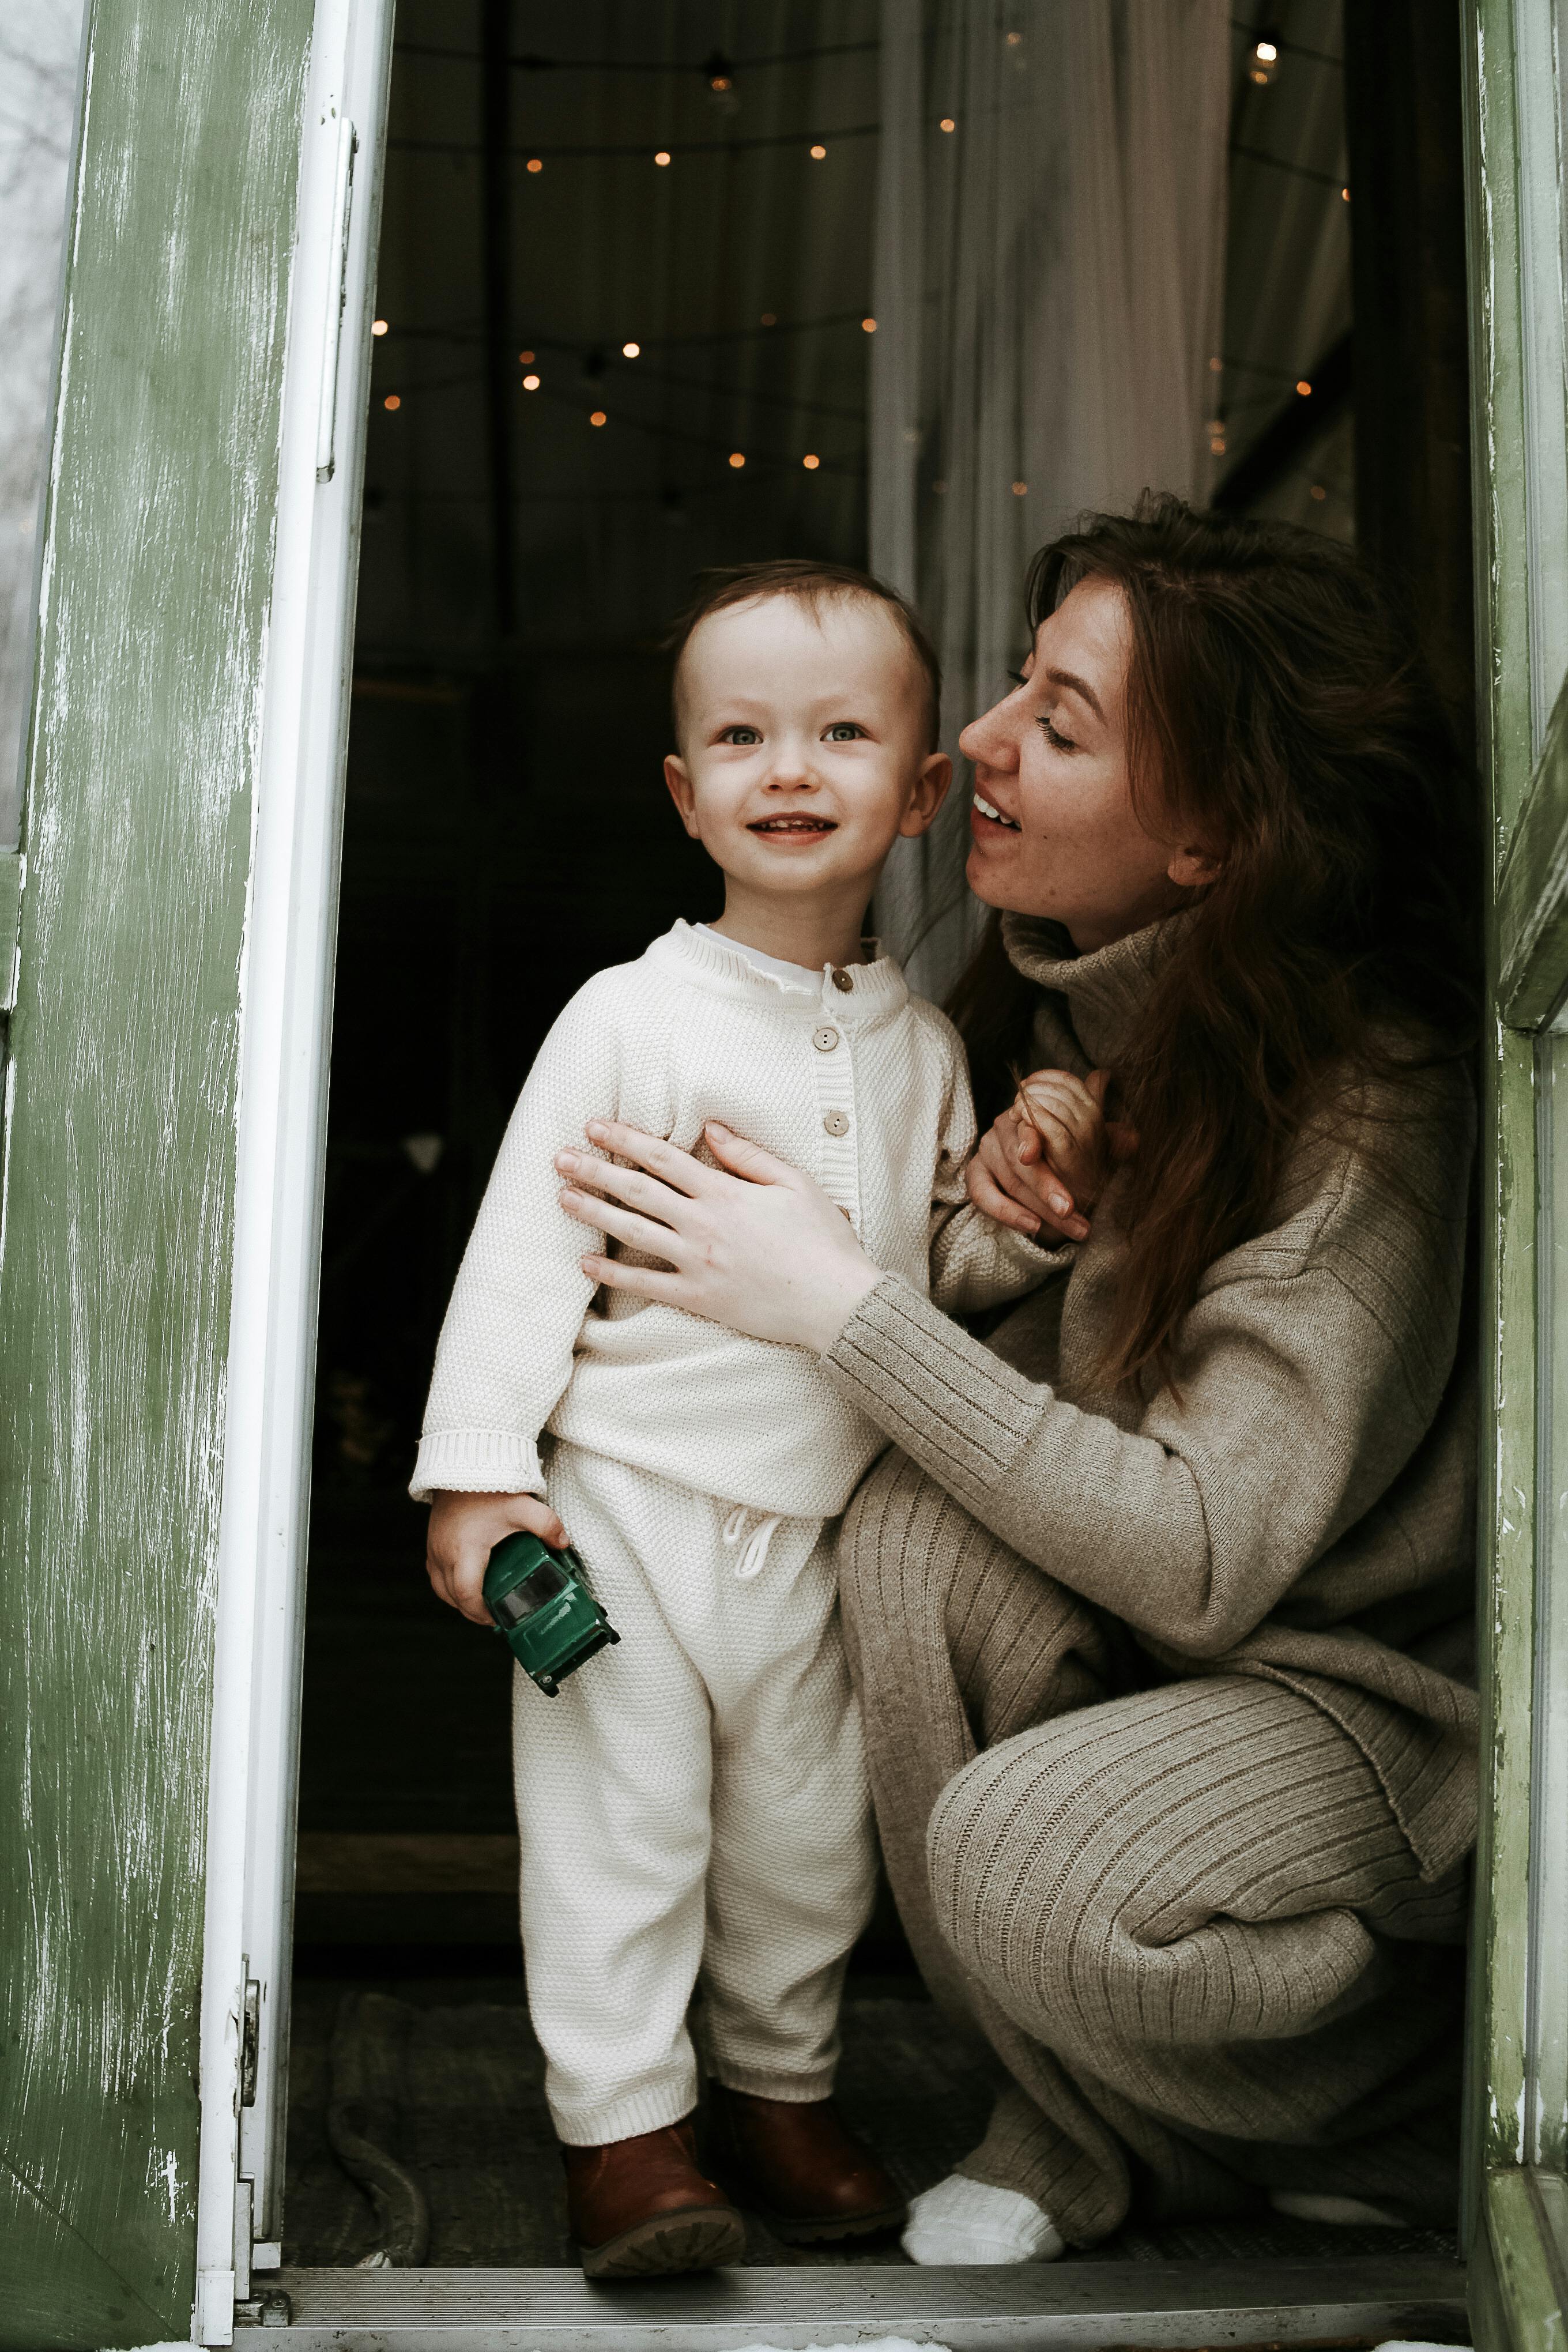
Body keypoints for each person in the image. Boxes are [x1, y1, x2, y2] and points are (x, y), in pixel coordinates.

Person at [549, 498, 1482, 2265]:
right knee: (905, 1531)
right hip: (1172, 1663)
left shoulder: (1366, 1120)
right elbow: (989, 1414)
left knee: (1020, 1856)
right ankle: (1073, 2128)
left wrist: (842, 1302)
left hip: (1359, 1720)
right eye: (1013, 690)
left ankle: (1389, 2106)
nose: (973, 741)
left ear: (1210, 838)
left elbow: (1207, 1551)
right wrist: (992, 1221)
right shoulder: (1058, 1017)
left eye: (1058, 725)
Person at [413, 559, 1060, 2279]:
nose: (793, 767)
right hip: (628, 1508)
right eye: (745, 736)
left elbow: (936, 1270)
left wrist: (1022, 1211)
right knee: (623, 1837)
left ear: (922, 794)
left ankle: (779, 2094)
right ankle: (624, 2135)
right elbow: (523, 1255)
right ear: (689, 796)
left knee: (801, 1843)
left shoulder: (922, 1041)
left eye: (843, 733)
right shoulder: (631, 1019)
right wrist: (480, 1479)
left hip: (820, 1530)